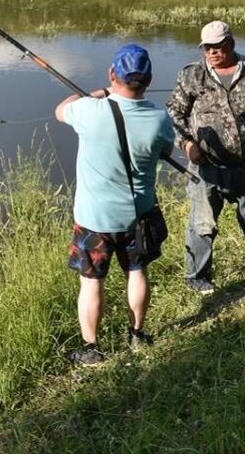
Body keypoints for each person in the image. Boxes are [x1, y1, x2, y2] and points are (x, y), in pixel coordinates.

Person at [55, 43, 175, 366]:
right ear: (148, 80)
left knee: (92, 281)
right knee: (137, 272)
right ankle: (137, 334)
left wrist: (96, 94)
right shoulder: (160, 119)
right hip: (139, 216)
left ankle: (92, 348)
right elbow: (166, 148)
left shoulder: (89, 111)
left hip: (94, 219)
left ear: (113, 74)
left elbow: (61, 109)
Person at [167, 21, 245, 293]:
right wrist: (186, 144)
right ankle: (197, 277)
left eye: (217, 46)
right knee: (202, 225)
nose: (211, 52)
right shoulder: (192, 76)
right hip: (206, 167)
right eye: (207, 47)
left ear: (230, 44)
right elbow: (175, 113)